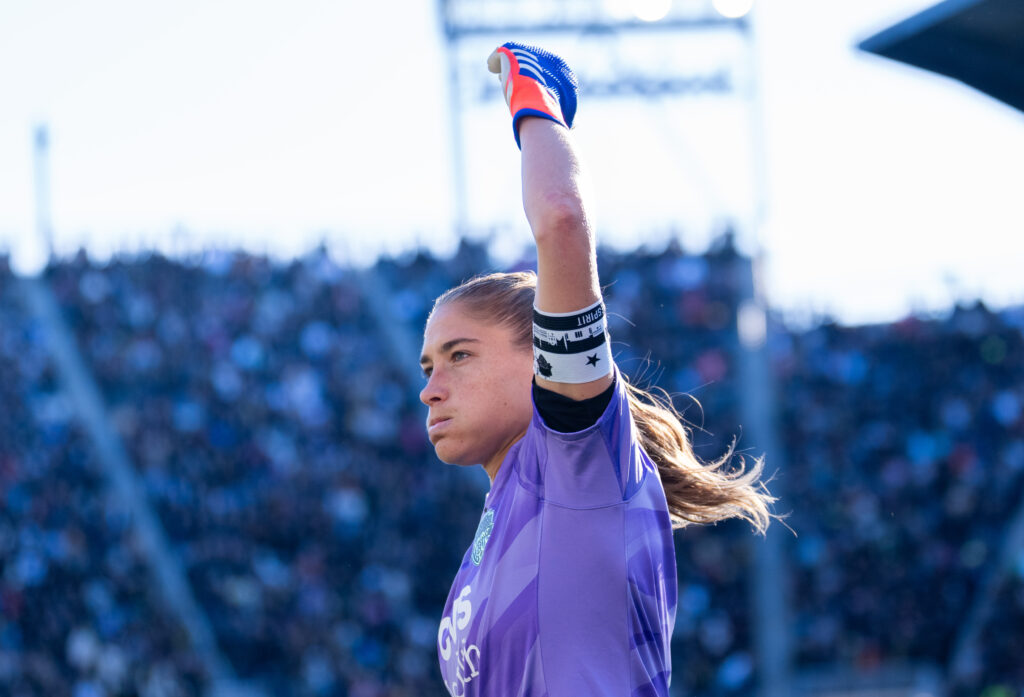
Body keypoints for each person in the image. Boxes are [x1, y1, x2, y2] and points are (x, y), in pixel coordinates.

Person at [418, 42, 775, 697]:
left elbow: (561, 217)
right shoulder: (499, 521)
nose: (430, 387)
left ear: (541, 359)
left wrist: (534, 95)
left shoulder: (576, 461)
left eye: (459, 355)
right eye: (428, 364)